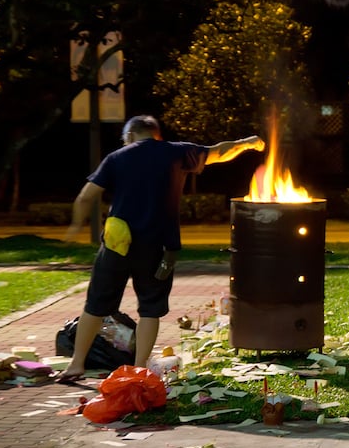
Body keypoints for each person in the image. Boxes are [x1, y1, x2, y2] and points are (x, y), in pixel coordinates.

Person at [57, 115, 265, 382]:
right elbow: (218, 152)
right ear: (155, 134)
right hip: (158, 247)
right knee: (150, 309)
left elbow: (86, 195)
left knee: (96, 305)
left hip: (117, 244)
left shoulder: (117, 158)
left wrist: (76, 225)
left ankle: (76, 364)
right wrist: (246, 143)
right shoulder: (176, 152)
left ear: (130, 135)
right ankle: (141, 367)